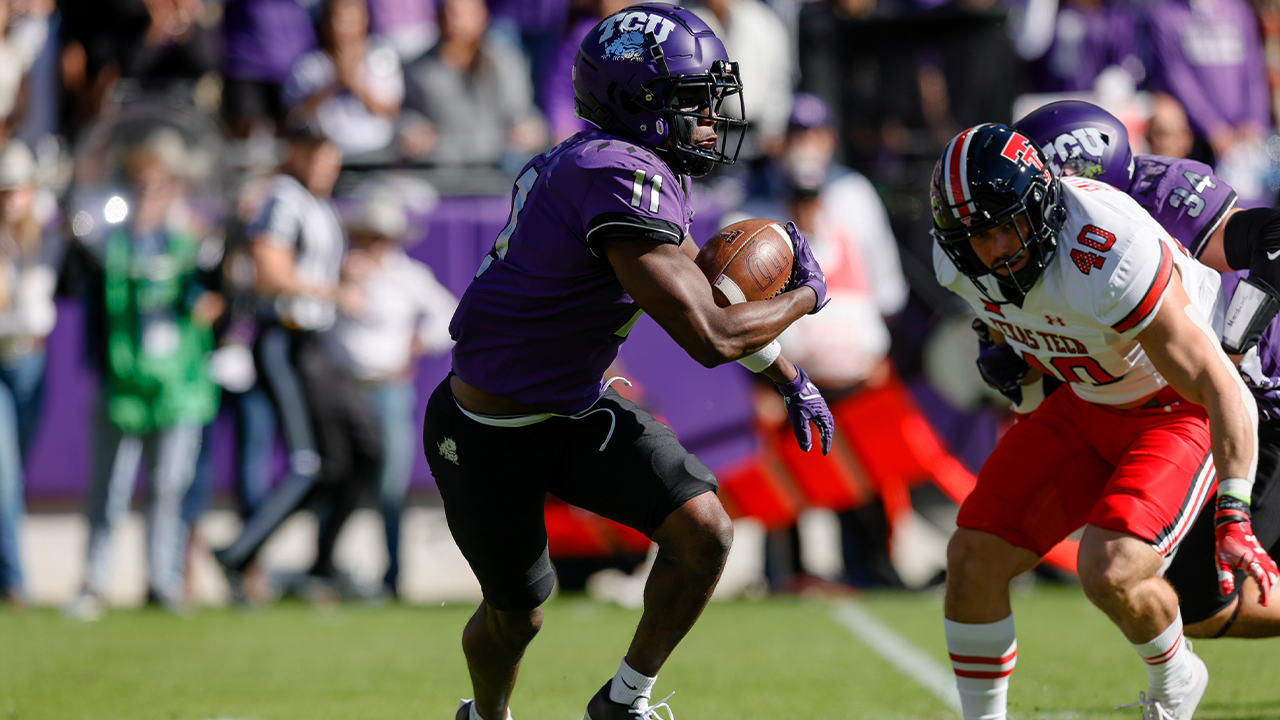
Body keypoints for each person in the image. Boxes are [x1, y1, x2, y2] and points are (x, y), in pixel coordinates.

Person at [422, 6, 832, 720]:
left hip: (575, 406)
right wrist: (804, 295)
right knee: (517, 614)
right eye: (693, 99)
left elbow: (703, 305)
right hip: (492, 428)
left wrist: (788, 377)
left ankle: (623, 703)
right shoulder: (615, 172)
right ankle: (485, 716)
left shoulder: (625, 165)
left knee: (703, 531)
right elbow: (710, 334)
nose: (711, 116)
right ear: (639, 102)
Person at [931, 123, 1277, 720]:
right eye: (973, 235)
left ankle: (1175, 682)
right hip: (1087, 398)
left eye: (1002, 226)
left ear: (1039, 206)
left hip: (1176, 406)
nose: (990, 250)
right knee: (972, 557)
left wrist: (1234, 511)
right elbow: (1038, 343)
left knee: (1112, 569)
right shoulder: (954, 261)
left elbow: (1218, 383)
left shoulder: (1104, 247)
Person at [1007, 99, 1280, 640]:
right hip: (1202, 400)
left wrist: (1232, 345)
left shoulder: (1156, 197)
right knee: (1195, 598)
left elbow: (1272, 238)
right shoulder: (1050, 240)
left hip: (1259, 394)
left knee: (1203, 596)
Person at [212, 119, 383, 603]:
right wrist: (331, 289)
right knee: (312, 462)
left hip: (315, 342)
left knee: (364, 448)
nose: (329, 165)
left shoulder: (314, 203)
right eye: (320, 154)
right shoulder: (281, 197)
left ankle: (322, 560)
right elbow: (269, 271)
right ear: (297, 152)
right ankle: (239, 554)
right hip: (285, 338)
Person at [66, 128, 223, 619]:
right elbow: (86, 286)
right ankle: (94, 582)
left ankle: (163, 580)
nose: (150, 195)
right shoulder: (107, 244)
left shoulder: (194, 243)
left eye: (161, 185)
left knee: (169, 486)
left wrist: (208, 303)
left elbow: (214, 296)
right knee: (109, 488)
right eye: (142, 185)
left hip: (179, 384)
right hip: (122, 382)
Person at [328, 193, 456, 599]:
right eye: (369, 236)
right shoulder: (337, 271)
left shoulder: (408, 275)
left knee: (389, 486)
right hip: (340, 391)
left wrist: (416, 344)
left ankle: (392, 575)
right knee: (336, 481)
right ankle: (326, 567)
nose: (375, 244)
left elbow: (449, 315)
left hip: (386, 389)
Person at [0, 139, 58, 607]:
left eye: (16, 190)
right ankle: (15, 580)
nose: (9, 200)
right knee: (4, 473)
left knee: (14, 469)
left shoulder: (49, 234)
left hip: (31, 359)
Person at [398, 0, 547, 167]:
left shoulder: (505, 61)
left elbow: (521, 111)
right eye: (449, 12)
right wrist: (412, 130)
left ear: (482, 16)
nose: (455, 20)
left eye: (464, 14)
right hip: (438, 168)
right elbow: (406, 114)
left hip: (497, 168)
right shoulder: (418, 68)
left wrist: (529, 129)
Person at [282, 0, 403, 158]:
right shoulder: (310, 64)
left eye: (348, 20)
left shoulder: (381, 56)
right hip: (328, 157)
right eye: (335, 19)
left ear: (364, 20)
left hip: (378, 153)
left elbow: (391, 110)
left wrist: (354, 84)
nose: (339, 27)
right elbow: (293, 116)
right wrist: (334, 84)